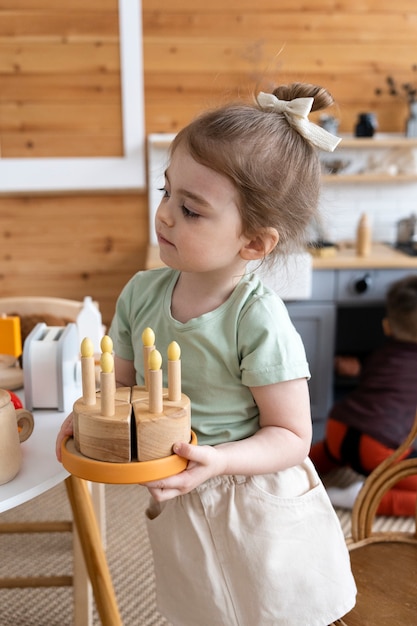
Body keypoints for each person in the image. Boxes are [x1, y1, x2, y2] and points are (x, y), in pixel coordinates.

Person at [56, 82, 356, 625]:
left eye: (191, 210)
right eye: (165, 192)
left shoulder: (257, 318)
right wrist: (89, 422)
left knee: (275, 611)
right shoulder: (139, 295)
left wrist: (221, 460)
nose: (166, 215)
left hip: (253, 499)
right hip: (181, 496)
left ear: (255, 243)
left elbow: (292, 437)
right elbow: (119, 393)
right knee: (205, 610)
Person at [310, 274, 417, 516]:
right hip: (379, 449)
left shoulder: (380, 355)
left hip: (339, 430)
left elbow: (365, 372)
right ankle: (363, 496)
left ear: (387, 326)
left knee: (319, 456)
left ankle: (293, 465)